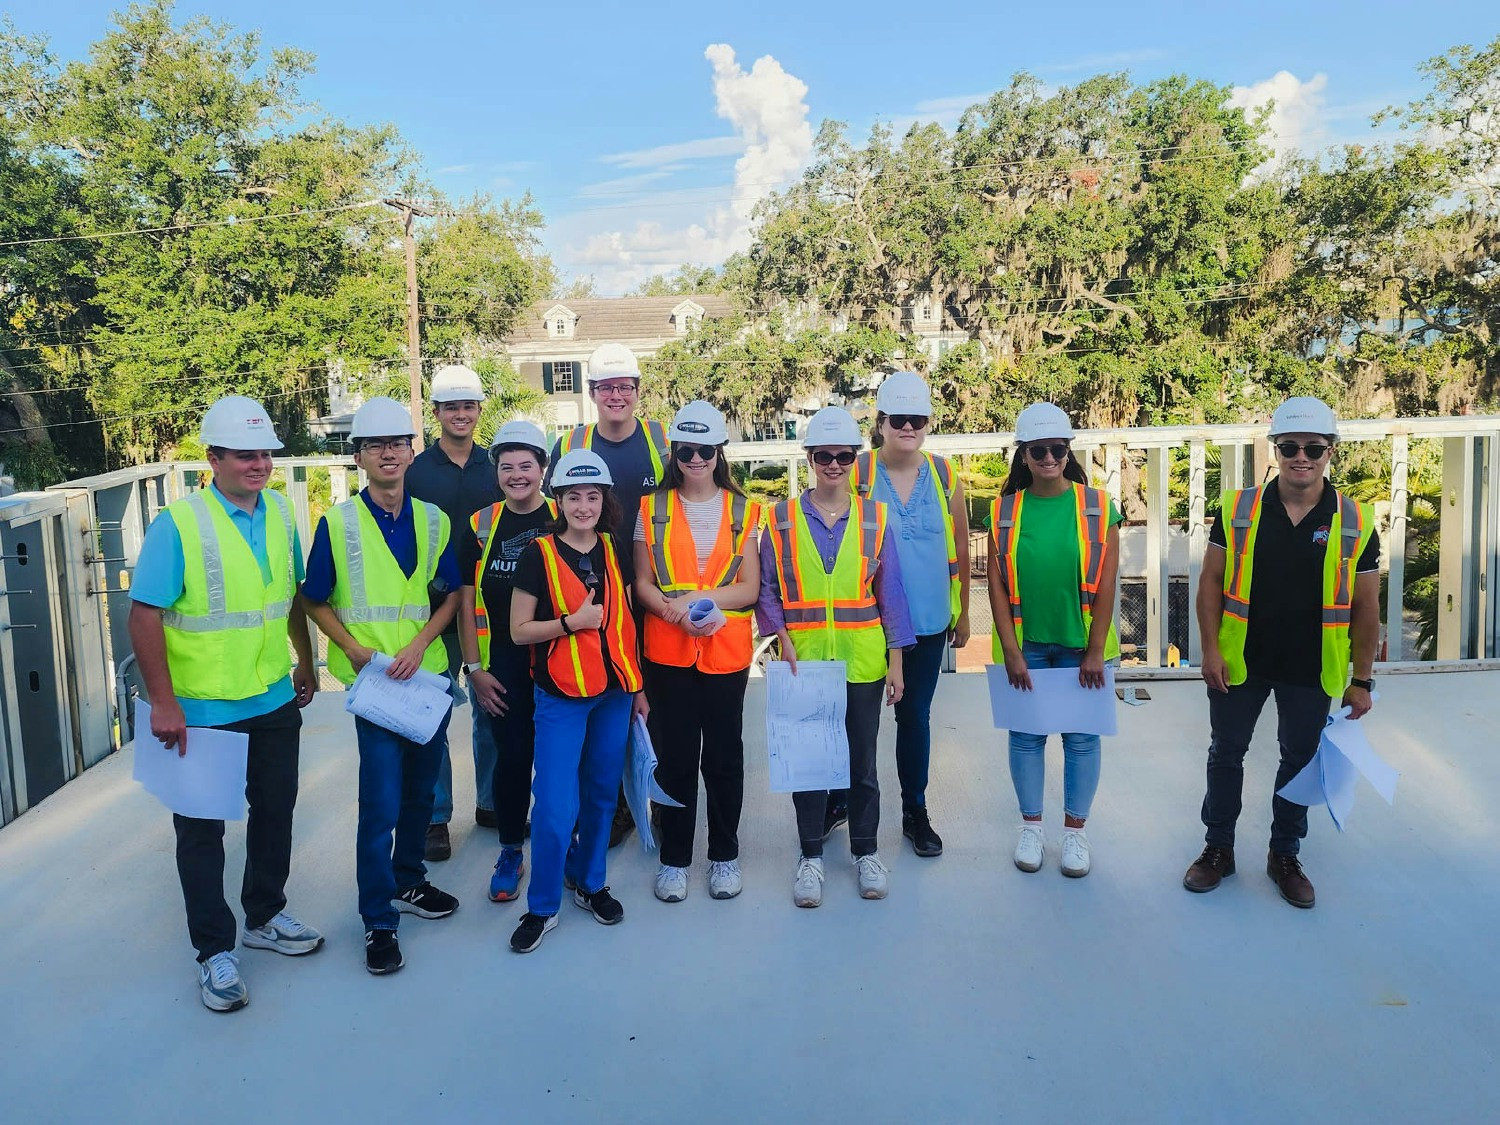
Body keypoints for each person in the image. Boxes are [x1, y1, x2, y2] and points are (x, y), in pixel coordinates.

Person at [128, 396, 322, 1013]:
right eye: (245, 455)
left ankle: (264, 916)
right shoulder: (178, 525)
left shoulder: (283, 515)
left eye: (266, 453)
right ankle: (215, 951)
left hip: (270, 693)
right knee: (202, 831)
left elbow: (290, 598)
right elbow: (144, 616)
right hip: (204, 706)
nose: (260, 464)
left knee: (275, 810)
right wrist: (164, 702)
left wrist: (306, 659)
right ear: (213, 458)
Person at [1184, 396, 1379, 909]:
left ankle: (1284, 855)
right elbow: (1210, 584)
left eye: (1313, 448)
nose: (1301, 457)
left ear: (1330, 451)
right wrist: (1208, 650)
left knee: (1299, 760)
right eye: (1290, 446)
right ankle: (1217, 850)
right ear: (1275, 449)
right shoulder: (1239, 509)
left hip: (1312, 669)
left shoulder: (1355, 519)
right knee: (1226, 754)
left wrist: (1363, 680)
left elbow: (1366, 608)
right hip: (1240, 660)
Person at [300, 396, 463, 975]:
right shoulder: (339, 523)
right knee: (380, 804)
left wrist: (421, 646)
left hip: (425, 679)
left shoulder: (434, 520)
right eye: (375, 446)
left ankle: (409, 882)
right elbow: (313, 597)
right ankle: (378, 918)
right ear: (360, 458)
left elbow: (449, 598)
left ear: (411, 451)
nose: (388, 453)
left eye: (397, 443)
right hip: (374, 685)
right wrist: (351, 649)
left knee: (421, 794)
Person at [757, 406, 914, 907]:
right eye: (823, 455)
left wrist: (897, 661)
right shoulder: (779, 518)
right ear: (809, 458)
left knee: (861, 764)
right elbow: (767, 590)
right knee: (808, 764)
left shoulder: (875, 517)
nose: (833, 465)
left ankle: (865, 851)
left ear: (854, 458)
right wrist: (779, 639)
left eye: (843, 456)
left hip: (862, 661)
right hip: (804, 662)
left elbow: (891, 594)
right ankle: (810, 857)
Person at [507, 449, 647, 953]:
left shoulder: (612, 548)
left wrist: (638, 688)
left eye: (592, 496)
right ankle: (542, 906)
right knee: (552, 807)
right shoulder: (538, 554)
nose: (583, 506)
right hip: (562, 697)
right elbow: (519, 630)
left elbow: (627, 623)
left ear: (603, 500)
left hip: (612, 694)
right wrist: (572, 623)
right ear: (558, 500)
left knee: (601, 797)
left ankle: (590, 883)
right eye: (573, 497)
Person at [633, 401, 762, 903]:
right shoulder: (651, 508)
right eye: (686, 450)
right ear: (675, 452)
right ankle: (675, 860)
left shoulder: (744, 510)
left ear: (719, 452)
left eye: (705, 450)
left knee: (725, 757)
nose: (695, 459)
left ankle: (725, 855)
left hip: (725, 653)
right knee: (677, 757)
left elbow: (749, 586)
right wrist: (673, 613)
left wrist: (696, 603)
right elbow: (642, 583)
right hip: (668, 651)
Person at [987, 402, 1121, 879]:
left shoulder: (1099, 506)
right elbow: (997, 587)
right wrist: (1010, 650)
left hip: (1080, 646)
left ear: (1069, 452)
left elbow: (1107, 583)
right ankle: (1031, 828)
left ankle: (1075, 835)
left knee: (1081, 739)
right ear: (1023, 454)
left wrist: (1095, 650)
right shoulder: (1004, 511)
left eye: (1057, 450)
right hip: (1029, 646)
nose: (1048, 458)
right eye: (1038, 450)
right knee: (1026, 737)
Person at [545, 342, 669, 847]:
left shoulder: (662, 441)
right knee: (600, 692)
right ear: (592, 393)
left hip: (651, 586)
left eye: (625, 387)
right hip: (589, 590)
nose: (616, 395)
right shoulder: (571, 441)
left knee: (651, 696)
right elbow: (553, 513)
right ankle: (613, 805)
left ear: (637, 392)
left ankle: (657, 795)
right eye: (606, 388)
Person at [849, 371, 970, 858]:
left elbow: (960, 544)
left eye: (917, 419)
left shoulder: (945, 475)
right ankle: (844, 802)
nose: (908, 427)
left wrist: (961, 615)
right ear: (880, 423)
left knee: (914, 718)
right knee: (853, 720)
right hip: (865, 622)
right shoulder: (856, 472)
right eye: (898, 419)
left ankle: (914, 811)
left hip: (928, 621)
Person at [456, 420, 557, 904]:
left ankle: (565, 848)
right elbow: (465, 601)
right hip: (504, 672)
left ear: (543, 468)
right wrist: (475, 671)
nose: (517, 475)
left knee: (559, 766)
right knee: (513, 761)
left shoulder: (568, 515)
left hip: (562, 670)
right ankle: (512, 851)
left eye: (526, 466)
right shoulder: (481, 524)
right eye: (507, 467)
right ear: (496, 471)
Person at [405, 363, 502, 862]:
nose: (461, 415)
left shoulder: (496, 467)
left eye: (468, 406)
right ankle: (436, 815)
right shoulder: (416, 471)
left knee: (491, 705)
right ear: (437, 413)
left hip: (489, 605)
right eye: (451, 407)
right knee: (436, 708)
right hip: (437, 605)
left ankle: (491, 803)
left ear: (479, 410)